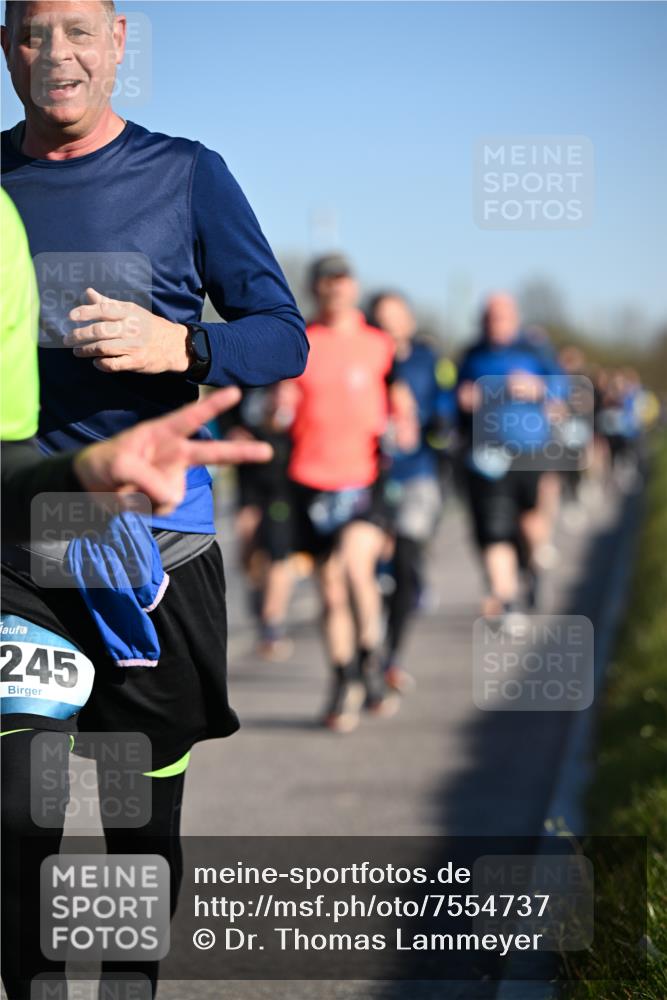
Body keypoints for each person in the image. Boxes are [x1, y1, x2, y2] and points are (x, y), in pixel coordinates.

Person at [1, 1, 307, 995]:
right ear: (6, 44)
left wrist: (185, 344)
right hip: (21, 550)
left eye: (79, 31)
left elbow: (280, 335)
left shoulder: (184, 173)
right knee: (20, 810)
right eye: (32, 31)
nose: (56, 55)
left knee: (135, 823)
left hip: (153, 554)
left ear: (119, 40)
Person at [285, 254, 416, 732]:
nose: (337, 290)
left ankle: (371, 662)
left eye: (344, 282)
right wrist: (276, 408)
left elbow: (399, 396)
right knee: (329, 589)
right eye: (327, 283)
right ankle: (343, 679)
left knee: (356, 566)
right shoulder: (300, 342)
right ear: (316, 289)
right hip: (309, 476)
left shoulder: (378, 344)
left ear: (354, 288)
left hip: (363, 476)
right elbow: (277, 405)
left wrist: (406, 421)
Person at [456, 293, 566, 621]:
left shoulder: (535, 350)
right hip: (487, 456)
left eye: (502, 316)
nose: (495, 323)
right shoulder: (472, 354)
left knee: (530, 522)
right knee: (495, 528)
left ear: (515, 318)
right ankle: (506, 602)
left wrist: (539, 389)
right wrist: (463, 399)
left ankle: (532, 568)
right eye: (490, 316)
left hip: (530, 451)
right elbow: (454, 394)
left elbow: (561, 387)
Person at [368, 291, 446, 693]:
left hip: (417, 473)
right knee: (371, 572)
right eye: (381, 319)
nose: (389, 327)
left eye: (396, 318)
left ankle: (393, 657)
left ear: (410, 321)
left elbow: (443, 404)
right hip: (370, 476)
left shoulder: (428, 360)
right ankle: (369, 651)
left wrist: (440, 424)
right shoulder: (366, 357)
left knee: (405, 561)